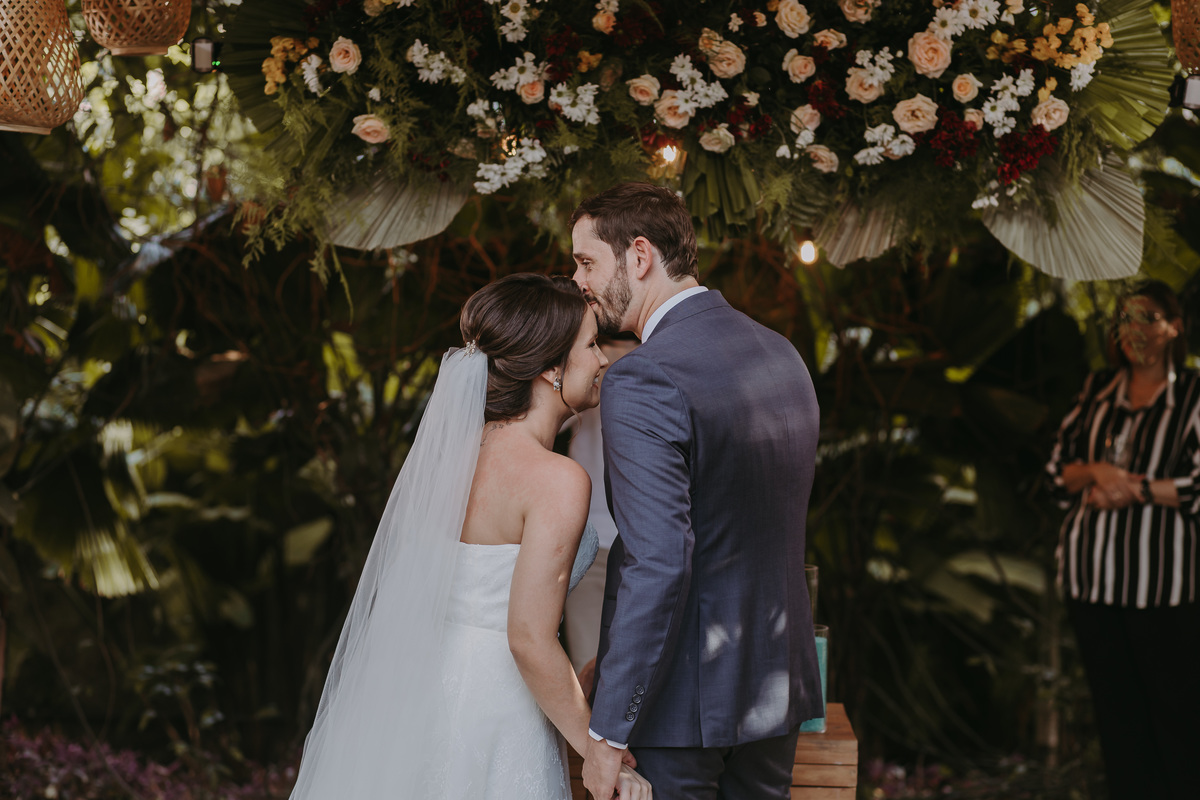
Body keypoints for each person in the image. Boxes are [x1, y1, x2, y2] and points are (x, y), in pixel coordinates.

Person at [287, 273, 651, 800]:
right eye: (592, 345)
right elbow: (528, 637)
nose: (602, 360)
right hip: (498, 706)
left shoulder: (451, 460)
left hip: (420, 695)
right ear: (551, 368)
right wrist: (597, 753)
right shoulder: (556, 480)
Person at [570, 183, 823, 800]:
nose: (578, 281)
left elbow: (659, 560)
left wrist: (607, 730)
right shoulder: (782, 354)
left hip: (681, 705)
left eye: (585, 262)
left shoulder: (643, 377)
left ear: (639, 255)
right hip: (775, 689)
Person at [1045, 280, 1200, 800]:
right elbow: (1056, 473)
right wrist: (1096, 472)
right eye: (1125, 319)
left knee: (1177, 715)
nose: (1133, 329)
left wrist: (1133, 489)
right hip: (1092, 584)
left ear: (1174, 328)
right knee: (1117, 716)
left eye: (1147, 317)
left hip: (1163, 589)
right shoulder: (1096, 390)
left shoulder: (1193, 396)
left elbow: (1198, 484)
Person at [563, 334, 638, 686]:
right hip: (597, 540)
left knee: (594, 673)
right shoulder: (587, 364)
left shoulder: (590, 363)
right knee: (599, 674)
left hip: (614, 540)